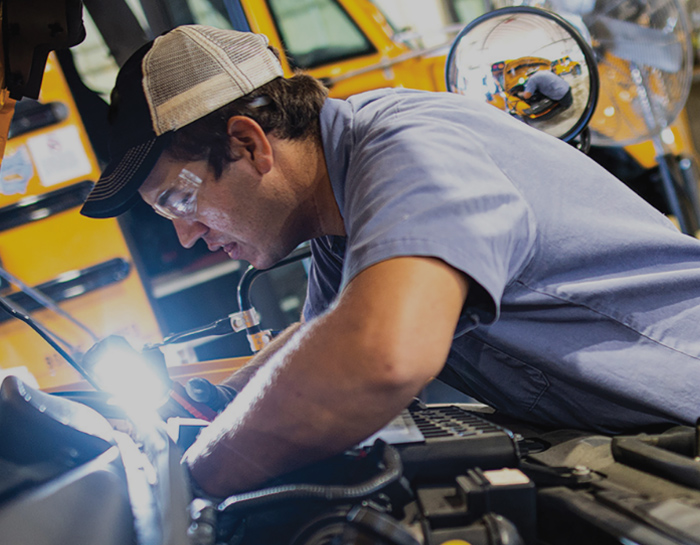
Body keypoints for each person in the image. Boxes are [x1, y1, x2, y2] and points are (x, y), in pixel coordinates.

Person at [81, 25, 700, 497]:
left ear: (248, 144)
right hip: (649, 434)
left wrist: (192, 479)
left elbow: (376, 357)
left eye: (181, 199)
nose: (185, 236)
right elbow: (322, 339)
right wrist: (211, 402)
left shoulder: (406, 147)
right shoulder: (336, 213)